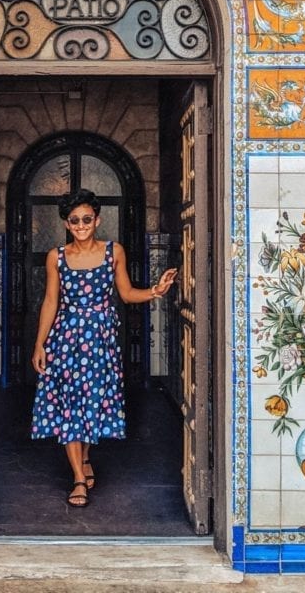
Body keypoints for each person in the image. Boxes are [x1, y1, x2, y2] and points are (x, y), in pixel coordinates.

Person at [30, 188, 178, 508]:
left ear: (97, 220)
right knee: (71, 405)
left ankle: (84, 458)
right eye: (74, 220)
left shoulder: (114, 252)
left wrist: (156, 290)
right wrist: (40, 344)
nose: (81, 224)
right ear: (66, 224)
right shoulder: (56, 257)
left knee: (91, 404)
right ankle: (79, 479)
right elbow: (51, 301)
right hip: (65, 341)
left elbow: (125, 294)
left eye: (87, 219)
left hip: (100, 343)